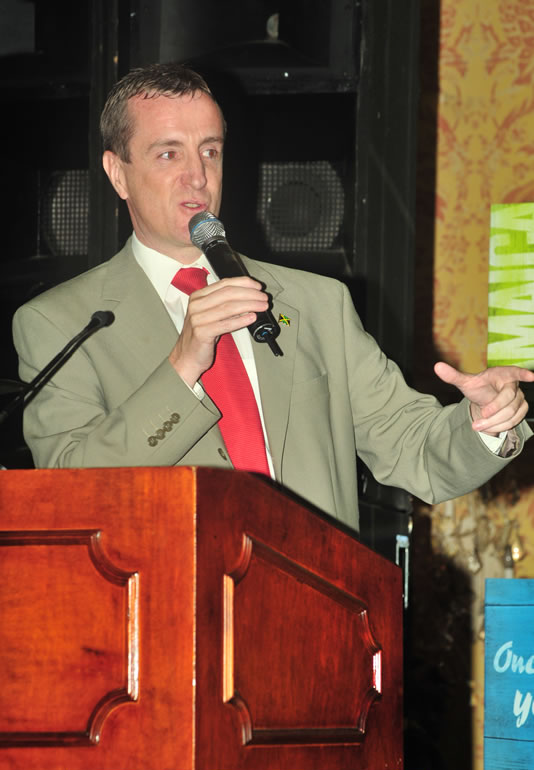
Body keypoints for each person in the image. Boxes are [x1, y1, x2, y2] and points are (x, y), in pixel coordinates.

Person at [12, 62, 533, 534]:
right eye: (168, 153)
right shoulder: (60, 322)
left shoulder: (317, 303)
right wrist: (181, 367)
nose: (198, 175)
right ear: (117, 172)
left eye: (210, 151)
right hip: (164, 620)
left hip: (312, 612)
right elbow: (69, 491)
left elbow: (414, 449)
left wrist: (482, 424)